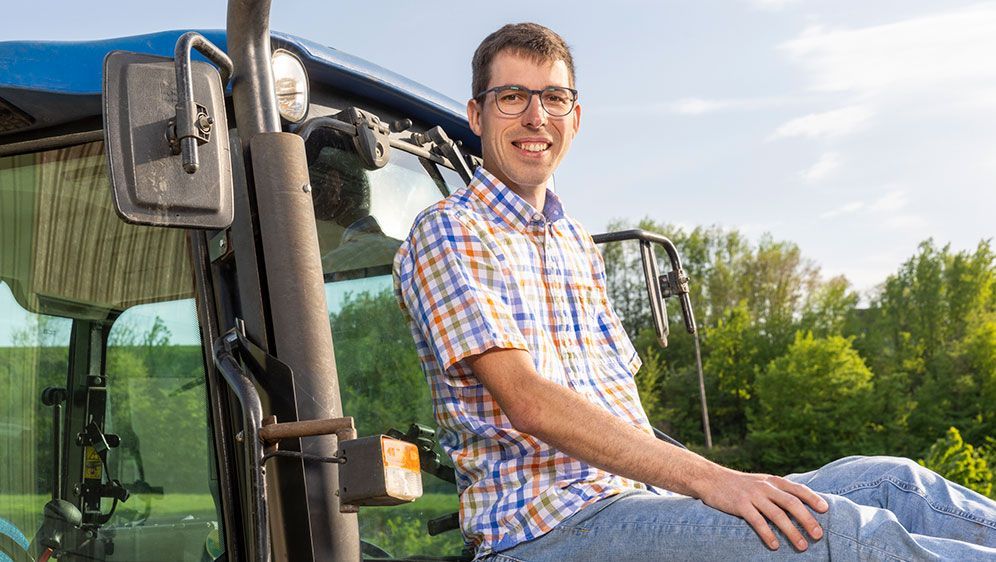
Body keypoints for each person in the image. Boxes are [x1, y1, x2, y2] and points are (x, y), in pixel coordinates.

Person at [393, 22, 996, 561]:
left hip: (634, 504)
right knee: (837, 536)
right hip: (543, 530)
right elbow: (528, 400)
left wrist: (724, 483)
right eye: (513, 98)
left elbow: (619, 413)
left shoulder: (574, 242)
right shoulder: (449, 230)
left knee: (893, 484)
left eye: (554, 97)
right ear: (477, 115)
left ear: (575, 117)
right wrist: (712, 481)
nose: (536, 117)